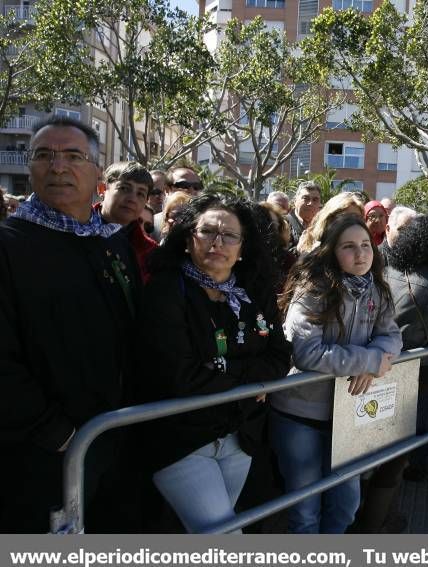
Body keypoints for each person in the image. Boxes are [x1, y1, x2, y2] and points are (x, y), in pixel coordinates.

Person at [0, 115, 140, 532]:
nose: (58, 167)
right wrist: (58, 433)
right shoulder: (9, 246)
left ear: (98, 172)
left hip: (114, 439)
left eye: (73, 156)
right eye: (44, 155)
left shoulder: (112, 242)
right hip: (40, 454)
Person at [135, 194, 292, 533]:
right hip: (182, 442)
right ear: (188, 238)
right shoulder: (166, 290)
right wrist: (251, 383)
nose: (217, 243)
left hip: (240, 438)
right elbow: (181, 377)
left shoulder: (255, 291)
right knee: (223, 537)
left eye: (230, 236)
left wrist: (221, 371)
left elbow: (280, 357)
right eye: (207, 232)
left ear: (243, 247)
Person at [271, 214, 403, 533]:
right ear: (331, 251)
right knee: (305, 513)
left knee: (345, 506)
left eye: (365, 245)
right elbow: (307, 352)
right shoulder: (313, 288)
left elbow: (392, 335)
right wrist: (367, 362)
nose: (360, 254)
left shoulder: (378, 289)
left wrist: (373, 358)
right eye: (348, 246)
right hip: (300, 412)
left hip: (348, 416)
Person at [356, 215, 428, 533]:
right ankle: (376, 524)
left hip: (367, 374)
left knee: (362, 455)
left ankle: (364, 517)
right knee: (395, 459)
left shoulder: (381, 271)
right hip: (415, 381)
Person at [98, 161, 158, 282]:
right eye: (124, 188)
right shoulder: (76, 230)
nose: (132, 199)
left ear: (146, 201)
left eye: (140, 193)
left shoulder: (150, 252)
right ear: (102, 189)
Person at [296, 191, 364, 254]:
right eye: (345, 217)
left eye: (357, 217)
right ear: (329, 219)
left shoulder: (365, 249)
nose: (353, 222)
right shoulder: (312, 249)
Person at [287, 180, 322, 250]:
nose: (310, 203)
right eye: (306, 198)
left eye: (315, 200)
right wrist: (297, 250)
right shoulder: (282, 224)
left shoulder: (324, 225)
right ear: (295, 201)